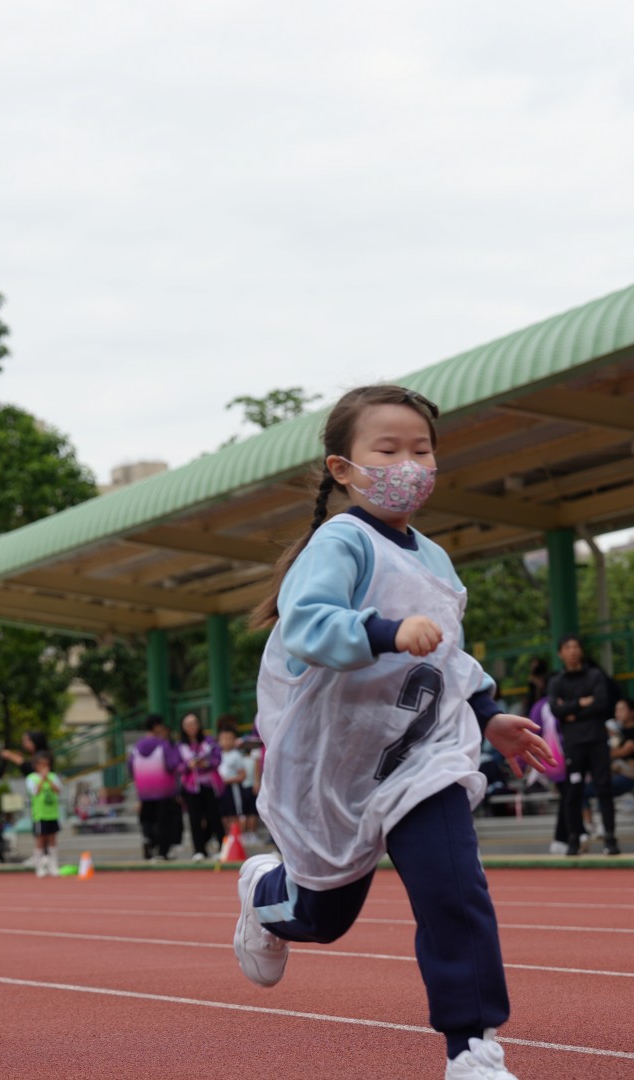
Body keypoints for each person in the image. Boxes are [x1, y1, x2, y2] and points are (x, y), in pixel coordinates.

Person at [232, 384, 551, 1080]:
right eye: (388, 449)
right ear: (343, 468)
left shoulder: (435, 558)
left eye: (422, 450)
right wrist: (386, 631)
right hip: (335, 763)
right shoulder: (341, 541)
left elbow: (448, 655)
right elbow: (308, 623)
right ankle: (264, 894)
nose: (410, 464)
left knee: (453, 889)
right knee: (324, 919)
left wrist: (488, 713)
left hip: (419, 757)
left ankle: (472, 1049)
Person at [546, 635, 618, 856]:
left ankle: (610, 838)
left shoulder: (595, 675)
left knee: (604, 788)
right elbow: (555, 710)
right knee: (573, 792)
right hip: (574, 744)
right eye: (568, 647)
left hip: (597, 740)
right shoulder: (557, 681)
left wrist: (572, 712)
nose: (573, 651)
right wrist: (581, 703)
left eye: (576, 646)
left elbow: (601, 704)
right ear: (560, 653)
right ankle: (573, 839)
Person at [128, 714, 183, 861]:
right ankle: (162, 851)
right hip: (164, 790)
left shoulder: (136, 747)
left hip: (144, 791)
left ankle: (148, 839)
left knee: (147, 819)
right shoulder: (163, 744)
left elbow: (130, 767)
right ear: (157, 726)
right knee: (164, 821)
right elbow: (173, 765)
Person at [177, 712, 225, 860]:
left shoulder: (209, 741)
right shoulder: (179, 746)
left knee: (214, 817)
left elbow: (218, 758)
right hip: (191, 787)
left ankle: (223, 848)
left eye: (194, 723)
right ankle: (199, 850)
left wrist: (207, 763)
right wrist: (188, 765)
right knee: (194, 819)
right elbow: (176, 766)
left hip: (210, 785)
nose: (192, 727)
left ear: (199, 724)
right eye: (188, 724)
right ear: (183, 727)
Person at [24, 751, 63, 877]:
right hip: (40, 814)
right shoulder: (31, 778)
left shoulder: (53, 776)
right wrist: (42, 779)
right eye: (42, 765)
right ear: (36, 766)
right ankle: (39, 866)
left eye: (47, 765)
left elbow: (58, 790)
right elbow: (35, 792)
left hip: (52, 813)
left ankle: (53, 865)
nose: (45, 768)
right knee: (40, 839)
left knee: (53, 839)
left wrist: (48, 779)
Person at [216, 719, 254, 843]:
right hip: (220, 790)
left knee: (234, 814)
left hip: (233, 789)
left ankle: (237, 838)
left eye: (229, 739)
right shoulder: (217, 754)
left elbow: (242, 775)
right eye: (223, 739)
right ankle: (227, 838)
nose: (226, 742)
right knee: (223, 815)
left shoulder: (236, 755)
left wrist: (228, 780)